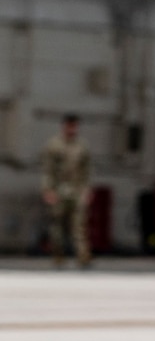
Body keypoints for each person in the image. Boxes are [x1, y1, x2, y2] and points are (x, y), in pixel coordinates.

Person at [40, 114, 92, 267]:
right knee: (57, 226)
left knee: (79, 225)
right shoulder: (54, 145)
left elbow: (86, 171)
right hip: (59, 190)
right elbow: (47, 170)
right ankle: (58, 256)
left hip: (77, 190)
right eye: (70, 125)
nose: (72, 129)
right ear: (64, 126)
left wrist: (87, 189)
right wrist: (47, 190)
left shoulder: (82, 146)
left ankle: (83, 257)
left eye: (75, 126)